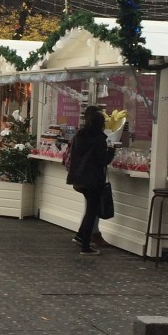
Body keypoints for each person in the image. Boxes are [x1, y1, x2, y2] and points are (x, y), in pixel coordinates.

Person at [65, 106, 115, 256]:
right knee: (92, 212)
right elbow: (102, 161)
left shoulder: (80, 135)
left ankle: (81, 236)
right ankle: (85, 245)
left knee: (89, 210)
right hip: (92, 180)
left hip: (78, 178)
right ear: (100, 124)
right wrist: (111, 151)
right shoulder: (99, 139)